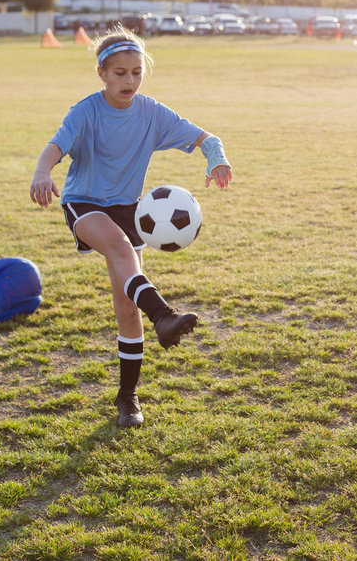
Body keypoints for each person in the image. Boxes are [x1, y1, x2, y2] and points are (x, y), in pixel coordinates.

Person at [29, 25, 232, 428]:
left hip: (129, 210)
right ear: (102, 73)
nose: (129, 80)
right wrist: (41, 171)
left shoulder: (151, 112)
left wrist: (217, 158)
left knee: (126, 304)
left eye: (136, 72)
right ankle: (164, 315)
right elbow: (56, 146)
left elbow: (205, 138)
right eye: (119, 72)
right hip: (84, 203)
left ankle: (128, 398)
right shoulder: (85, 111)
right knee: (122, 252)